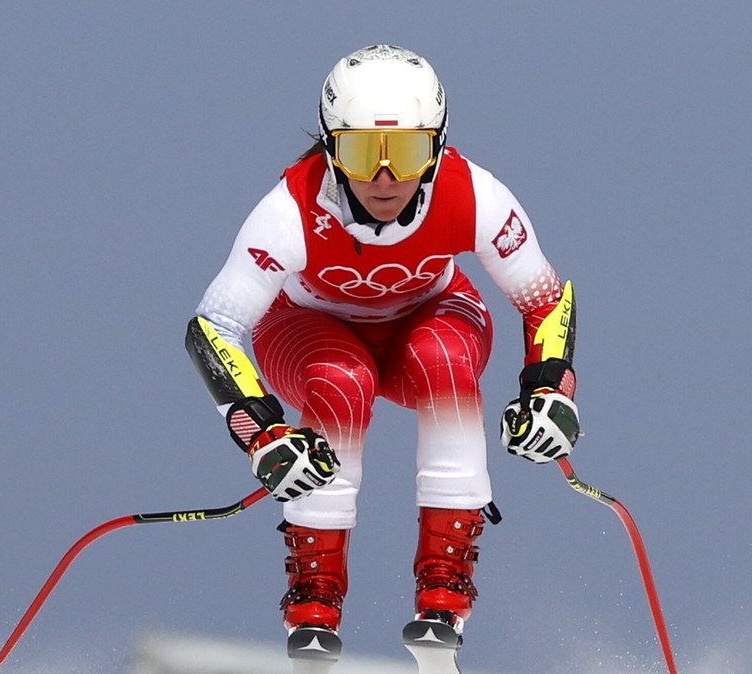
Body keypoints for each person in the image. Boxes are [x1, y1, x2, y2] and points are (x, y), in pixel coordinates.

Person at [184, 44, 582, 669]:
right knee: (343, 381)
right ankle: (314, 604)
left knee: (444, 360)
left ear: (440, 146)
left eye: (411, 153)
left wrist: (550, 390)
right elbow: (215, 328)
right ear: (329, 147)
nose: (387, 179)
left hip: (429, 319)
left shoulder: (474, 195)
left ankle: (443, 593)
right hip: (310, 328)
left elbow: (546, 298)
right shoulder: (290, 211)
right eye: (364, 153)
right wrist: (259, 431)